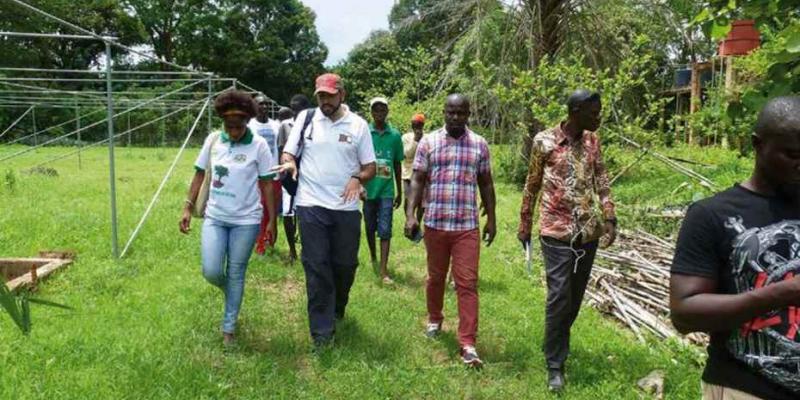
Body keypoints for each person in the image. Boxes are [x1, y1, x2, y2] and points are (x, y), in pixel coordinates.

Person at [669, 96, 800, 400]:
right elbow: (684, 313)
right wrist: (782, 293)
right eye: (792, 154)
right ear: (757, 145)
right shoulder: (713, 215)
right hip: (746, 387)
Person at [516, 89, 617, 392]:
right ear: (575, 111)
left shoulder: (592, 141)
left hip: (587, 232)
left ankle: (554, 339)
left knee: (572, 298)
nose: (598, 117)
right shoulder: (543, 141)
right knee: (559, 295)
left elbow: (602, 178)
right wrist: (524, 223)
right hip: (555, 231)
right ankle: (555, 364)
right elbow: (532, 184)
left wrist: (609, 217)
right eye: (593, 112)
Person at [272, 73, 376, 348]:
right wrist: (289, 163)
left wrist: (357, 178)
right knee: (316, 265)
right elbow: (288, 153)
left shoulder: (358, 125)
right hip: (310, 204)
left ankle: (337, 306)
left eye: (329, 95)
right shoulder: (306, 120)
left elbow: (370, 167)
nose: (324, 101)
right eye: (321, 96)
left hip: (346, 207)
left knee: (345, 265)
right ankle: (322, 333)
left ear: (342, 94)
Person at [405, 94, 497, 368]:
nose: (455, 117)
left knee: (467, 283)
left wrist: (491, 218)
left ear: (468, 113)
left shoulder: (479, 144)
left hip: (466, 226)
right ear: (444, 112)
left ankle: (468, 343)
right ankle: (435, 319)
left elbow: (487, 183)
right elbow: (418, 179)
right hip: (435, 223)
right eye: (451, 112)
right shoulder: (430, 142)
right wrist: (411, 215)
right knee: (435, 278)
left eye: (461, 113)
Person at [179, 90, 277, 346]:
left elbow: (267, 184)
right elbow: (200, 174)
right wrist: (187, 207)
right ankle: (230, 291)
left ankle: (229, 328)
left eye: (239, 126)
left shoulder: (259, 145)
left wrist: (272, 221)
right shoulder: (213, 141)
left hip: (247, 220)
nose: (234, 131)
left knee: (236, 272)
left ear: (247, 122)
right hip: (215, 217)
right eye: (229, 126)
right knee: (211, 270)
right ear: (222, 122)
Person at [363, 97, 404, 284]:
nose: (379, 113)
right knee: (370, 227)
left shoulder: (395, 136)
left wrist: (400, 191)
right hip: (369, 190)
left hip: (387, 191)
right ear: (371, 112)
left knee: (385, 229)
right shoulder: (365, 132)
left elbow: (396, 164)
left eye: (383, 110)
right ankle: (373, 256)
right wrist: (359, 186)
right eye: (376, 110)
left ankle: (383, 269)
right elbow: (358, 160)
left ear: (387, 112)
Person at [277, 95, 312, 263]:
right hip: (289, 174)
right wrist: (282, 172)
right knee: (288, 213)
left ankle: (307, 249)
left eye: (299, 109)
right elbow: (281, 149)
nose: (295, 112)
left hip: (308, 175)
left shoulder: (314, 125)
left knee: (305, 213)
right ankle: (292, 250)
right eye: (293, 109)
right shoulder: (285, 125)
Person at [250, 94, 282, 255]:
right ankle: (259, 244)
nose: (263, 107)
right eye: (260, 104)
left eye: (266, 105)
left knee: (272, 211)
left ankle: (270, 241)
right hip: (257, 177)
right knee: (260, 211)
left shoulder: (275, 125)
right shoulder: (250, 126)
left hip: (274, 174)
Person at [402, 113, 426, 224]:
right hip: (408, 174)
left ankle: (418, 222)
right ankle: (409, 220)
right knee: (408, 200)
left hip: (422, 174)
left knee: (421, 202)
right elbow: (407, 154)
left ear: (423, 125)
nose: (417, 127)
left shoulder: (427, 138)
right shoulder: (406, 137)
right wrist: (415, 140)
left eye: (419, 125)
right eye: (414, 125)